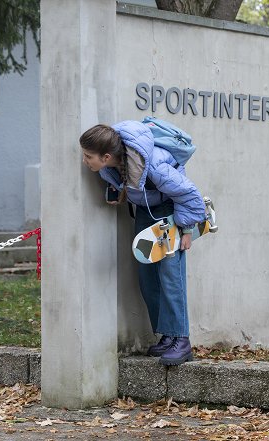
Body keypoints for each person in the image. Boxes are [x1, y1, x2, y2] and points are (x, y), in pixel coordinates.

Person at [79, 120, 206, 366]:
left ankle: (182, 339)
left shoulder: (154, 164)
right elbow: (127, 182)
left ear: (105, 156)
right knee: (148, 276)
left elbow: (188, 193)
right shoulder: (114, 165)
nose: (85, 161)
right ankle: (167, 335)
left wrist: (187, 229)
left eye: (88, 156)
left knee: (171, 275)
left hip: (171, 211)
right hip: (147, 211)